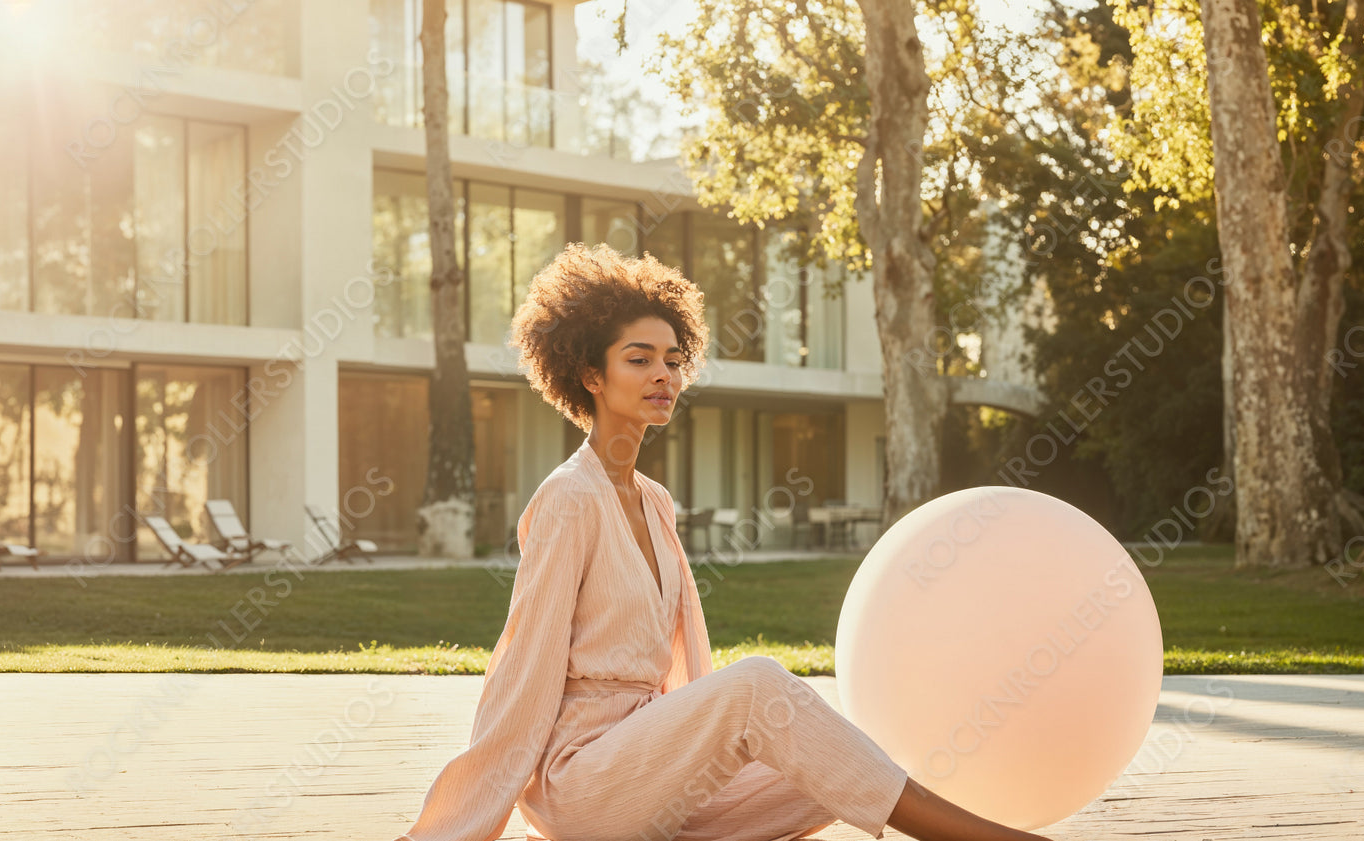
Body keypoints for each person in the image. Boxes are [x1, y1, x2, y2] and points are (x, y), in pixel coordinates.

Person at [394, 243, 1055, 841]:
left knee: (840, 762)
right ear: (589, 376)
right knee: (757, 685)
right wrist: (460, 823)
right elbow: (523, 668)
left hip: (648, 765)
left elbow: (685, 669)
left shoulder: (654, 501)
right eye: (640, 358)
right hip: (580, 783)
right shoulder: (568, 499)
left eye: (674, 361)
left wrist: (707, 749)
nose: (665, 375)